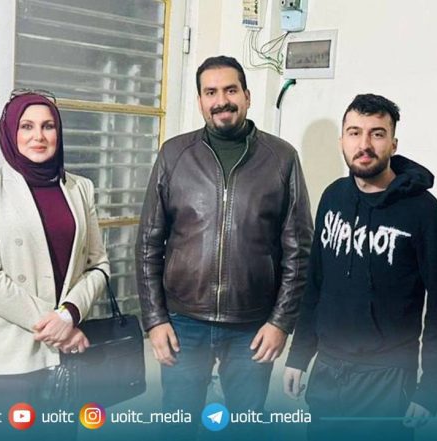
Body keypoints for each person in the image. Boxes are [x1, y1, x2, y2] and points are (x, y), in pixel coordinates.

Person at [135, 55, 313, 439]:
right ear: (200, 100)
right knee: (177, 428)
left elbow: (299, 251)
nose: (221, 101)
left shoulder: (281, 159)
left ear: (247, 96)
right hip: (183, 322)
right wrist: (154, 319)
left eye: (231, 90)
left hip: (253, 326)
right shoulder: (173, 154)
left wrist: (281, 322)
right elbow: (148, 243)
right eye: (211, 92)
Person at [283, 94, 437, 441]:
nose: (364, 144)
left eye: (377, 134)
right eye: (354, 132)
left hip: (387, 374)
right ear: (342, 141)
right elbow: (315, 284)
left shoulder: (423, 211)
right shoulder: (333, 197)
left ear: (393, 143)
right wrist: (299, 354)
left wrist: (430, 390)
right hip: (328, 367)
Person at [0, 90, 110, 438]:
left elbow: (99, 264)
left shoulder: (80, 188)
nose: (38, 136)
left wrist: (69, 314)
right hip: (4, 354)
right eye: (26, 126)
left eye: (48, 126)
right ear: (10, 132)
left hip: (63, 360)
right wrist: (59, 328)